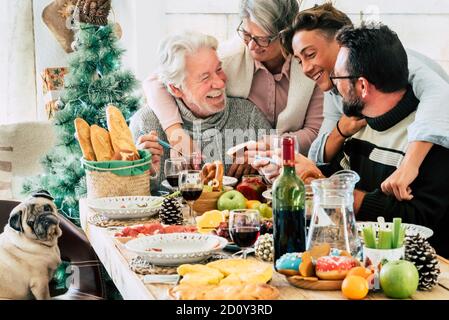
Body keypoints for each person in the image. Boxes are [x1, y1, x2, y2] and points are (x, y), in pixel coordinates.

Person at [293, 24, 449, 257]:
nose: (334, 84)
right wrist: (308, 176)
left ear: (363, 85)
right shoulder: (356, 124)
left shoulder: (432, 138)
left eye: (338, 76)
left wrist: (336, 194)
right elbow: (338, 177)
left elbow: (420, 220)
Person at [278, 3, 449, 201]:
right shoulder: (336, 87)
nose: (306, 68)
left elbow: (441, 95)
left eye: (310, 54)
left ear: (341, 40)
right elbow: (321, 150)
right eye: (300, 60)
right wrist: (339, 132)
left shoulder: (390, 60)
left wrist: (409, 165)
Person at [142, 0, 324, 174]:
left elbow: (314, 132)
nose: (252, 45)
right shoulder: (229, 57)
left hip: (295, 163)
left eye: (263, 39)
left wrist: (263, 147)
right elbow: (158, 81)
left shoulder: (309, 67)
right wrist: (175, 131)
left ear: (285, 34)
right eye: (246, 34)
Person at [130, 31, 272, 190]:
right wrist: (138, 171)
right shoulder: (146, 124)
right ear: (176, 89)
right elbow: (127, 198)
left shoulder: (248, 116)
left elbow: (279, 176)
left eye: (218, 69)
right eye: (205, 78)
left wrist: (263, 162)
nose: (219, 83)